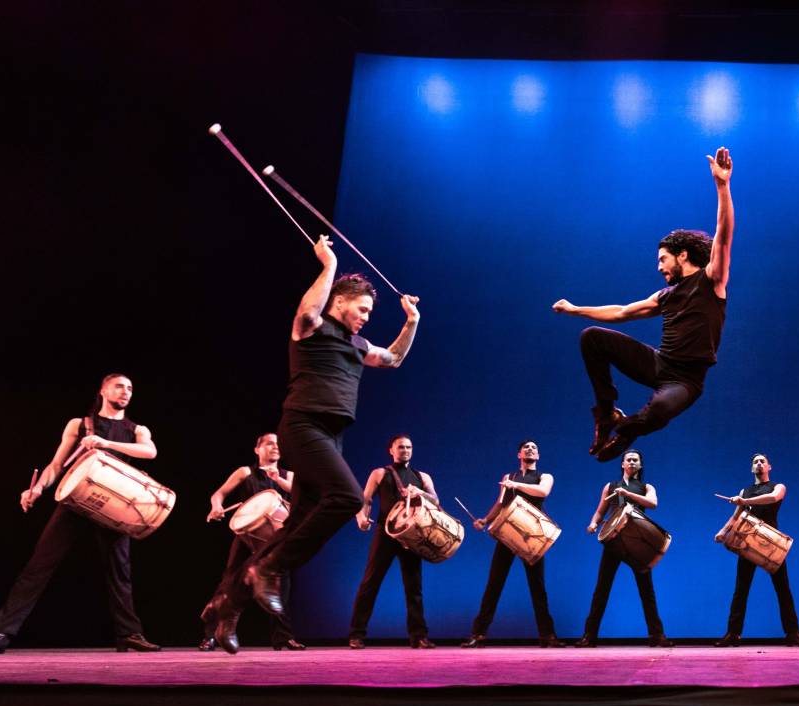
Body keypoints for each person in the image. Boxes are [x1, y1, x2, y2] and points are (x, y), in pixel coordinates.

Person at [214, 235, 421, 654]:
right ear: (341, 300)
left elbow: (394, 358)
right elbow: (308, 309)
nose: (365, 317)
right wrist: (328, 265)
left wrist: (411, 322)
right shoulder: (313, 327)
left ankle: (225, 605)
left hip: (331, 435)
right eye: (362, 309)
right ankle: (268, 569)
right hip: (303, 427)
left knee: (295, 525)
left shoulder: (358, 344)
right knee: (346, 499)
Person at [552, 148, 733, 461]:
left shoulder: (711, 280)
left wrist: (722, 186)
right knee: (592, 337)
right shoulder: (663, 297)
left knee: (660, 408)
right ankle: (607, 413)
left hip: (685, 381)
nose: (659, 267)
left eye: (663, 259)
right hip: (659, 364)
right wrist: (574, 309)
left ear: (683, 255)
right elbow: (622, 312)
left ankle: (625, 431)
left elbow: (724, 234)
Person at [0, 374, 161, 654]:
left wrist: (106, 444)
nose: (126, 392)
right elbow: (56, 464)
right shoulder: (80, 424)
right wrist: (36, 489)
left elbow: (150, 452)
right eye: (120, 386)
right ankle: (1, 634)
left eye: (131, 388)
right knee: (38, 567)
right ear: (103, 390)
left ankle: (129, 635)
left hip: (112, 506)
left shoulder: (136, 430)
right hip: (75, 500)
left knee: (120, 572)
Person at [198, 433, 302, 651]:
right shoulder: (246, 472)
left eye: (278, 444)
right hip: (248, 535)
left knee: (281, 586)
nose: (275, 447)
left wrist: (278, 480)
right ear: (257, 449)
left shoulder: (288, 475)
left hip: (277, 537)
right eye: (269, 443)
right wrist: (216, 506)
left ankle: (283, 637)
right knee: (229, 580)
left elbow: (298, 494)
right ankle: (211, 635)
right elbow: (219, 493)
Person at [461, 441, 564, 648]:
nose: (530, 449)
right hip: (508, 534)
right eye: (526, 447)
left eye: (534, 447)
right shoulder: (509, 477)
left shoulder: (544, 477)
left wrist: (515, 486)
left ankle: (547, 635)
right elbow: (501, 504)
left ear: (539, 455)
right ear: (519, 454)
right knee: (494, 584)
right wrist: (485, 520)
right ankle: (478, 633)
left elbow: (542, 492)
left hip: (533, 536)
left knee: (537, 586)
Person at [347, 434, 441, 649]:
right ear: (391, 450)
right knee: (370, 582)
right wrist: (361, 517)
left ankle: (418, 636)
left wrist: (421, 494)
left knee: (414, 587)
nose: (405, 450)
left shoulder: (422, 477)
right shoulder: (380, 473)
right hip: (386, 533)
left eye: (408, 447)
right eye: (400, 447)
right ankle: (356, 634)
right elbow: (365, 498)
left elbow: (436, 500)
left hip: (411, 535)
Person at [575, 449, 673, 648]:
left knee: (647, 591)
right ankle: (589, 636)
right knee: (601, 589)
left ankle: (657, 636)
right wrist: (593, 523)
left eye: (636, 460)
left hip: (637, 543)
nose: (632, 462)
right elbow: (600, 511)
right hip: (614, 542)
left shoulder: (646, 487)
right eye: (628, 459)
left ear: (640, 465)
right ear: (622, 464)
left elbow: (653, 503)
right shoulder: (610, 486)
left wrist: (627, 494)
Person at [713, 453, 799, 648]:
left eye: (762, 461)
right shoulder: (745, 491)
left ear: (769, 467)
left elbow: (772, 498)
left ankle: (793, 633)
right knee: (740, 590)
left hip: (771, 543)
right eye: (755, 462)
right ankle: (733, 634)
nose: (758, 464)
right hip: (747, 542)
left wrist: (743, 501)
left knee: (783, 589)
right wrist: (723, 531)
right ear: (752, 468)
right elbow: (736, 516)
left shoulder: (777, 487)